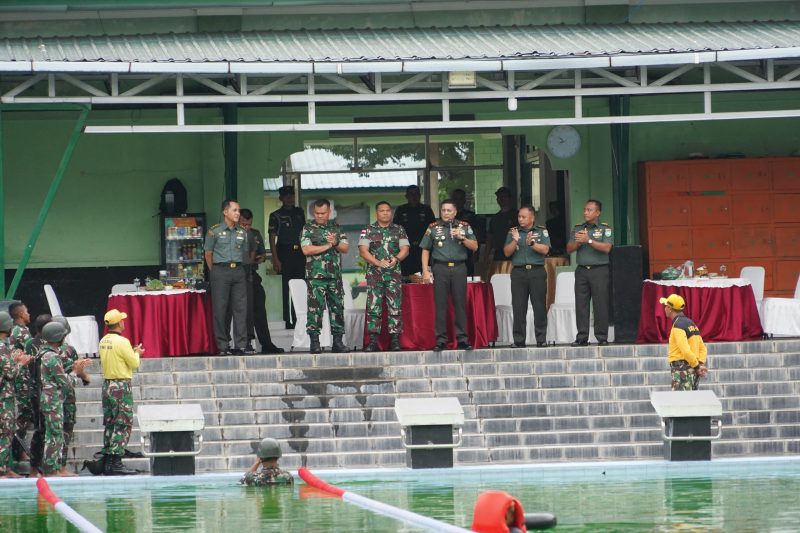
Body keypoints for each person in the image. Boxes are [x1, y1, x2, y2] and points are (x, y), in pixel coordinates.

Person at [420, 199, 479, 352]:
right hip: (440, 268)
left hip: (459, 268)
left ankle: (463, 339)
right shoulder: (433, 227)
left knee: (460, 304)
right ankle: (441, 340)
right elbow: (425, 249)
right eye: (443, 210)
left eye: (449, 210)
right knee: (440, 305)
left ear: (455, 212)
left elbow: (475, 246)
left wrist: (462, 238)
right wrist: (425, 271)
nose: (445, 213)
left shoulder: (464, 226)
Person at [359, 201, 410, 352]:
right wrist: (377, 262)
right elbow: (363, 251)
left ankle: (395, 341)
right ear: (377, 213)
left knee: (395, 307)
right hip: (375, 274)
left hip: (393, 275)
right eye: (382, 211)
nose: (385, 213)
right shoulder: (368, 230)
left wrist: (397, 259)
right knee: (374, 307)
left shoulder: (399, 229)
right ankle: (373, 341)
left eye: (388, 210)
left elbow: (405, 248)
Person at [300, 199, 350, 354]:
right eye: (317, 213)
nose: (320, 216)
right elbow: (306, 250)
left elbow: (345, 247)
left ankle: (338, 342)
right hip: (316, 276)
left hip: (334, 276)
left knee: (337, 309)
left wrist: (335, 243)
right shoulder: (308, 228)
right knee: (315, 310)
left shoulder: (336, 228)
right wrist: (327, 246)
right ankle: (314, 342)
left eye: (323, 213)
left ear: (329, 212)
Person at [98, 309, 141, 475]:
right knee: (122, 423)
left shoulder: (103, 341)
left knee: (110, 422)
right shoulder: (122, 341)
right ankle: (116, 462)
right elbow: (133, 363)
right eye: (122, 320)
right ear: (120, 323)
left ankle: (108, 460)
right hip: (121, 386)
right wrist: (137, 353)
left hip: (107, 385)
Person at [205, 200, 250, 355]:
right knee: (220, 309)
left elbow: (245, 253)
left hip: (238, 271)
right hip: (220, 271)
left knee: (240, 309)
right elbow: (208, 254)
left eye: (239, 210)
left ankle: (240, 345)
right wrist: (215, 271)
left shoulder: (242, 232)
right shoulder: (214, 231)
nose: (238, 213)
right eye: (234, 210)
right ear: (225, 212)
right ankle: (223, 346)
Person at [566, 199, 613, 347]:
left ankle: (602, 337)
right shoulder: (578, 228)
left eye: (590, 210)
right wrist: (579, 242)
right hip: (581, 271)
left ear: (597, 212)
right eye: (585, 209)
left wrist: (589, 240)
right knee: (581, 305)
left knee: (600, 304)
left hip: (599, 270)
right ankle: (582, 337)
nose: (586, 212)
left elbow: (607, 248)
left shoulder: (605, 229)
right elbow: (569, 249)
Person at [503, 205, 551, 348]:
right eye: (519, 216)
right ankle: (519, 340)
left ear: (532, 218)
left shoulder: (541, 231)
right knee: (518, 307)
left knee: (539, 306)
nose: (521, 219)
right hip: (519, 272)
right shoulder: (513, 232)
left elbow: (546, 249)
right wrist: (515, 241)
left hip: (536, 271)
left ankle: (541, 339)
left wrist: (532, 244)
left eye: (524, 217)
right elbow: (506, 252)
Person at [239, 208, 283, 354]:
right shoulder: (232, 235)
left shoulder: (255, 234)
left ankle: (266, 343)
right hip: (238, 276)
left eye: (249, 224)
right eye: (244, 224)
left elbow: (263, 255)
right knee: (244, 311)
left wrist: (260, 258)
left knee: (259, 309)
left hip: (252, 274)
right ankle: (246, 343)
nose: (247, 227)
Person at [52, 315, 92, 475]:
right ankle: (61, 466)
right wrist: (86, 378)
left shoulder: (44, 349)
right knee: (66, 429)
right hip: (66, 395)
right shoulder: (68, 350)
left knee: (50, 432)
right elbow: (76, 369)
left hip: (49, 396)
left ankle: (48, 465)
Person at [36, 322, 74, 477]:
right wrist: (76, 374)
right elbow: (64, 382)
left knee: (54, 434)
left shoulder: (46, 353)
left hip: (51, 399)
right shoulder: (51, 356)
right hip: (52, 400)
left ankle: (54, 467)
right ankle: (51, 469)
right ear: (59, 338)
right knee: (54, 435)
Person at [268, 185, 307, 330]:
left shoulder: (300, 213)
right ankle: (289, 320)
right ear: (281, 198)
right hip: (284, 253)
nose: (290, 198)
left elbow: (304, 233)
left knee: (301, 286)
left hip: (300, 253)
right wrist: (275, 259)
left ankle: (301, 319)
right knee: (287, 288)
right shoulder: (275, 215)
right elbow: (272, 238)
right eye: (286, 196)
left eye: (292, 195)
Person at [0, 311, 32, 478]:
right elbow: (10, 373)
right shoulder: (1, 347)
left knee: (7, 432)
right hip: (3, 398)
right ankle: (2, 470)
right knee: (5, 433)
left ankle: (6, 468)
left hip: (5, 396)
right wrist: (20, 362)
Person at [660, 294, 709, 391]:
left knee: (681, 403)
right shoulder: (691, 323)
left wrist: (697, 366)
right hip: (693, 370)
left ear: (669, 308)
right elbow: (702, 348)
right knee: (691, 402)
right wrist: (700, 364)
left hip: (682, 370)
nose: (664, 308)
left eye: (665, 306)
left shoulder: (678, 325)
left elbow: (685, 350)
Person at [25, 313, 52, 477]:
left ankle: (37, 466)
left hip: (38, 390)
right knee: (43, 429)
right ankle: (37, 466)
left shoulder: (30, 343)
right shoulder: (46, 344)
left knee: (42, 429)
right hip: (41, 389)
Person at [394, 184, 435, 278]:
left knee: (425, 275)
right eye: (411, 194)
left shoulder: (426, 209)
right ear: (406, 196)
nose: (414, 196)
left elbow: (433, 228)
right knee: (407, 276)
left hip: (423, 248)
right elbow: (396, 229)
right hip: (406, 248)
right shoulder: (401, 210)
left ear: (420, 195)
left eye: (416, 194)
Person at [9, 302, 33, 462]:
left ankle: (18, 448)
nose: (29, 314)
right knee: (25, 413)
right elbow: (32, 351)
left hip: (21, 376)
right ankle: (17, 448)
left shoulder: (14, 330)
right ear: (21, 315)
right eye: (27, 311)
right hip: (22, 377)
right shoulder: (22, 332)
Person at [486, 187, 518, 279]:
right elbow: (489, 238)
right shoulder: (494, 218)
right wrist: (486, 257)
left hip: (515, 254)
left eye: (504, 197)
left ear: (509, 198)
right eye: (499, 197)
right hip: (499, 254)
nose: (501, 199)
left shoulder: (517, 215)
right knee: (499, 279)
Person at [452, 188, 483, 277]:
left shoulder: (471, 216)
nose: (458, 201)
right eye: (455, 199)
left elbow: (477, 235)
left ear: (464, 200)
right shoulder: (447, 216)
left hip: (467, 252)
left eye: (460, 199)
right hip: (450, 252)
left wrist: (476, 252)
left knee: (468, 278)